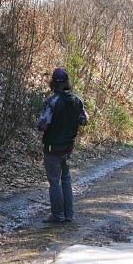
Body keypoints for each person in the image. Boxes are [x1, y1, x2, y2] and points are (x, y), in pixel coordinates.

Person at [36, 67, 88, 223]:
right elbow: (84, 120)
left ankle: (57, 215)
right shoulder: (77, 100)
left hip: (52, 147)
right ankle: (69, 214)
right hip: (68, 147)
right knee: (66, 179)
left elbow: (42, 125)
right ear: (67, 82)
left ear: (53, 82)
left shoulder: (51, 102)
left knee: (54, 182)